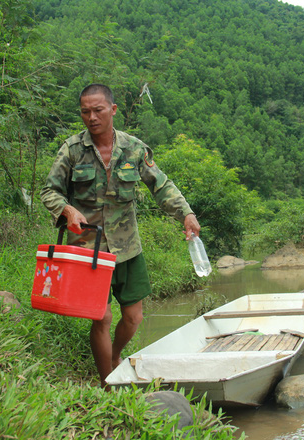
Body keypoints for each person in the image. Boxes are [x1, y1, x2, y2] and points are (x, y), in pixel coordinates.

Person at [40, 84, 200, 387]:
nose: (91, 117)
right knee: (101, 317)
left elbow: (161, 185)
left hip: (127, 247)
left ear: (112, 110)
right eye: (85, 111)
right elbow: (49, 190)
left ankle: (114, 356)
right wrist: (67, 210)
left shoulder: (134, 149)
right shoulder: (72, 150)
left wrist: (187, 214)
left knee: (133, 318)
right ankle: (108, 383)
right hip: (89, 250)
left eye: (98, 110)